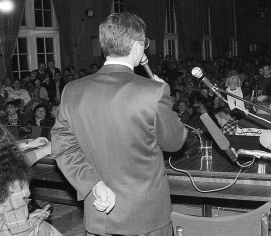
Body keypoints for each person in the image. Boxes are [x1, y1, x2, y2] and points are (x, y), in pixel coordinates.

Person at [51, 12, 187, 236]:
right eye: (144, 45)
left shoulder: (72, 90)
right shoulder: (153, 92)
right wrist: (166, 100)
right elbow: (174, 142)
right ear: (136, 48)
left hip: (99, 212)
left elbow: (64, 148)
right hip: (146, 218)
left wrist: (94, 184)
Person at [0, 129, 60, 235]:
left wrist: (28, 145)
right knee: (47, 229)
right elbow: (21, 233)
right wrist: (36, 218)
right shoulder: (12, 184)